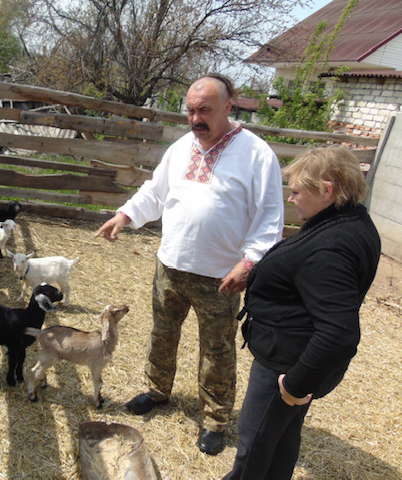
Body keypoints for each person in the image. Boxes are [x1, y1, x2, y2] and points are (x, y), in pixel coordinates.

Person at [94, 74, 284, 455]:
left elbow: (269, 218)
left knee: (216, 349)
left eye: (205, 110)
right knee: (162, 334)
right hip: (171, 264)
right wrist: (125, 215)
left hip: (221, 275)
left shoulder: (257, 155)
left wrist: (249, 263)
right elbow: (156, 191)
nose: (196, 118)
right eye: (191, 110)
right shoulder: (182, 146)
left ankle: (214, 419)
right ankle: (157, 390)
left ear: (230, 106)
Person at [223, 145, 381, 479]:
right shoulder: (350, 220)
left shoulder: (331, 247)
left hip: (286, 364)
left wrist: (294, 385)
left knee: (255, 442)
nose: (291, 199)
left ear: (327, 191)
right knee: (281, 436)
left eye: (296, 191)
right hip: (296, 354)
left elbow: (339, 335)